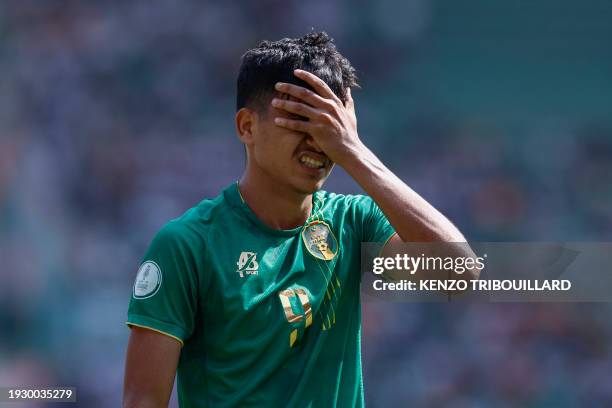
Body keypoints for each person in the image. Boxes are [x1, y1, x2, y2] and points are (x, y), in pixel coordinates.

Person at [123, 31, 473, 407]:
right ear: (247, 126)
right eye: (298, 122)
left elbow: (460, 275)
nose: (316, 142)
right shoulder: (187, 245)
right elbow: (143, 402)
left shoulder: (353, 222)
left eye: (328, 127)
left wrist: (355, 152)